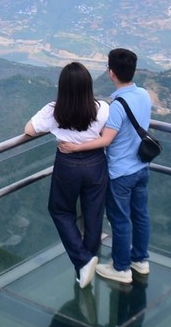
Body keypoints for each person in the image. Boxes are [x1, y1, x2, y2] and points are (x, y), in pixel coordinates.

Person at [59, 48, 152, 285]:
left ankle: (121, 268)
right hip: (142, 167)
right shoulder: (143, 94)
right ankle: (140, 260)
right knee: (140, 215)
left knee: (120, 220)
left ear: (111, 73)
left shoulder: (118, 105)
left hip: (121, 172)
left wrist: (74, 148)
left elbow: (106, 140)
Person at [24, 62, 110, 289]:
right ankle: (85, 266)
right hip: (96, 163)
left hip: (68, 165)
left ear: (62, 87)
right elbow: (105, 132)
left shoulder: (54, 111)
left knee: (60, 210)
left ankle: (83, 261)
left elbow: (29, 130)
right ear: (88, 86)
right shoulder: (101, 108)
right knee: (93, 214)